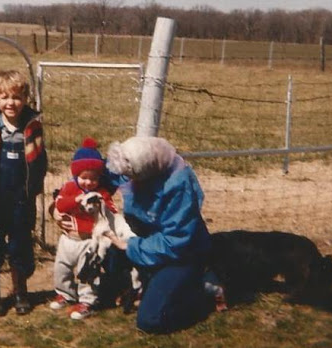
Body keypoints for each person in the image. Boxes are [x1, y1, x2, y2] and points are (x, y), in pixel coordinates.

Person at [104, 136, 213, 333]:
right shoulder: (132, 164)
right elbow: (104, 174)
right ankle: (143, 285)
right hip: (144, 241)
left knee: (150, 320)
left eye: (131, 178)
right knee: (107, 263)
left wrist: (130, 247)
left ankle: (205, 292)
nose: (127, 182)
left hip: (180, 254)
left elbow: (175, 242)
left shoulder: (179, 186)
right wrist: (60, 205)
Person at [0, 70, 47, 317]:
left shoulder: (32, 127)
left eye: (15, 97)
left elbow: (41, 161)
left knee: (20, 244)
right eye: (4, 97)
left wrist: (33, 187)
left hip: (22, 200)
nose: (10, 103)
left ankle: (20, 292)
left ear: (25, 98)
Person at [49, 137, 118, 320]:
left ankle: (87, 301)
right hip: (68, 238)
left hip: (88, 240)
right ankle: (65, 293)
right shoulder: (70, 188)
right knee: (61, 268)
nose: (88, 183)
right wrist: (76, 200)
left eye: (93, 179)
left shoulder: (101, 193)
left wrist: (102, 205)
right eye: (84, 178)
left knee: (87, 271)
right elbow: (60, 204)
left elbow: (111, 211)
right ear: (76, 175)